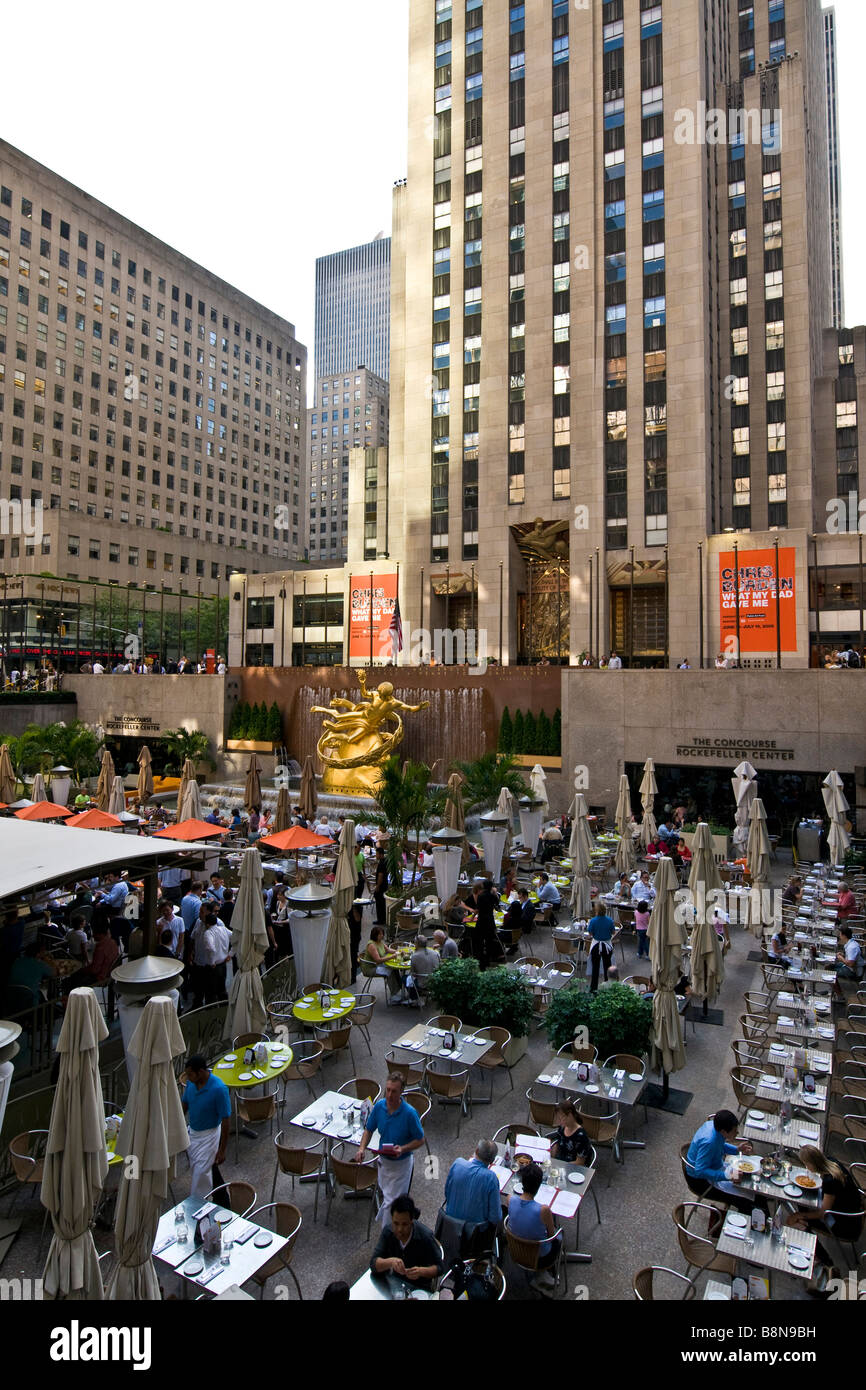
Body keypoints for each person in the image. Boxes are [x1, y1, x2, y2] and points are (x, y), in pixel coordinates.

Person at [357, 1074, 425, 1224]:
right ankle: (408, 1214)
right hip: (384, 1162)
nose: (389, 1094)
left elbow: (421, 1139)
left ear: (401, 1092)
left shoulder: (409, 1114)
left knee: (391, 1203)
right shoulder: (380, 1106)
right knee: (389, 1198)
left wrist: (403, 1148)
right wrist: (362, 1149)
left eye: (394, 1091)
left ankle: (387, 1234)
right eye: (387, 1090)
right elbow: (368, 1130)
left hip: (402, 1165)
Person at [370, 1194, 445, 1292]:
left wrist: (421, 1271)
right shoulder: (388, 1232)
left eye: (405, 1224)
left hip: (420, 1288)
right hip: (396, 1284)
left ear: (412, 1221)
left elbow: (440, 1267)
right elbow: (373, 1264)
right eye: (396, 1223)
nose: (400, 1229)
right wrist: (391, 1262)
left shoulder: (425, 1236)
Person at [685, 1110, 757, 1212]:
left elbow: (720, 1145)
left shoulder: (713, 1126)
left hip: (715, 1165)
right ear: (723, 1131)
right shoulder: (709, 1142)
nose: (737, 1133)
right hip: (700, 1181)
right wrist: (728, 1176)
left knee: (744, 1179)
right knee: (745, 1200)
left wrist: (737, 1149)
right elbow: (700, 1170)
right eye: (734, 1131)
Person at [507, 1161, 561, 1295]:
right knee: (559, 1237)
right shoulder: (543, 1210)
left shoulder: (510, 1200)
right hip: (539, 1258)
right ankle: (545, 1274)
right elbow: (551, 1234)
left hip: (515, 1252)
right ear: (538, 1186)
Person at [182, 1054, 231, 1199]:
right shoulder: (191, 1084)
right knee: (206, 1169)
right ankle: (223, 1201)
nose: (188, 1077)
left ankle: (198, 1205)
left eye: (190, 1074)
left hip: (210, 1135)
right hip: (194, 1134)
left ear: (201, 1072)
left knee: (201, 1174)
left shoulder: (219, 1089)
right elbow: (184, 1105)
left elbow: (226, 1120)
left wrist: (222, 1150)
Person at [443, 1139, 502, 1249]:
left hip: (449, 1226)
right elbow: (495, 1218)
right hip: (474, 1235)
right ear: (493, 1160)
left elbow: (447, 1193)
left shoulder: (458, 1163)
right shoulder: (491, 1178)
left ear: (476, 1150)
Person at [364, 925, 403, 1000]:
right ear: (375, 935)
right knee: (389, 971)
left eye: (382, 934)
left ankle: (399, 987)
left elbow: (388, 950)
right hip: (371, 968)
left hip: (378, 965)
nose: (382, 936)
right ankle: (394, 994)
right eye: (380, 934)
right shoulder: (372, 945)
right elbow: (378, 960)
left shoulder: (380, 942)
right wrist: (392, 956)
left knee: (394, 968)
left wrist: (399, 951)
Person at [587, 904, 616, 991]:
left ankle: (593, 989)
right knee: (607, 966)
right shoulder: (610, 920)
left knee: (595, 968)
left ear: (596, 911)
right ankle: (608, 987)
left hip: (596, 945)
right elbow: (613, 932)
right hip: (607, 945)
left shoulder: (593, 921)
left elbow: (590, 933)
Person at [407, 933, 440, 1001]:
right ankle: (422, 995)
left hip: (423, 983)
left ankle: (415, 999)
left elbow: (412, 972)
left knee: (405, 978)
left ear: (417, 944)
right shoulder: (435, 953)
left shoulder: (415, 956)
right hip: (435, 980)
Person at [346, 901, 364, 984]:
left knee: (353, 955)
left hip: (354, 935)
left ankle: (352, 978)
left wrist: (353, 908)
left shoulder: (357, 906)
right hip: (348, 934)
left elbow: (358, 919)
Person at [373, 847, 389, 926]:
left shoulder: (381, 863)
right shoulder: (386, 861)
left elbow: (380, 875)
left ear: (380, 854)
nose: (376, 855)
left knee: (379, 903)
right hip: (385, 884)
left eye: (376, 854)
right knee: (382, 902)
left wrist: (377, 886)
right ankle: (383, 918)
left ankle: (380, 919)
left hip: (381, 885)